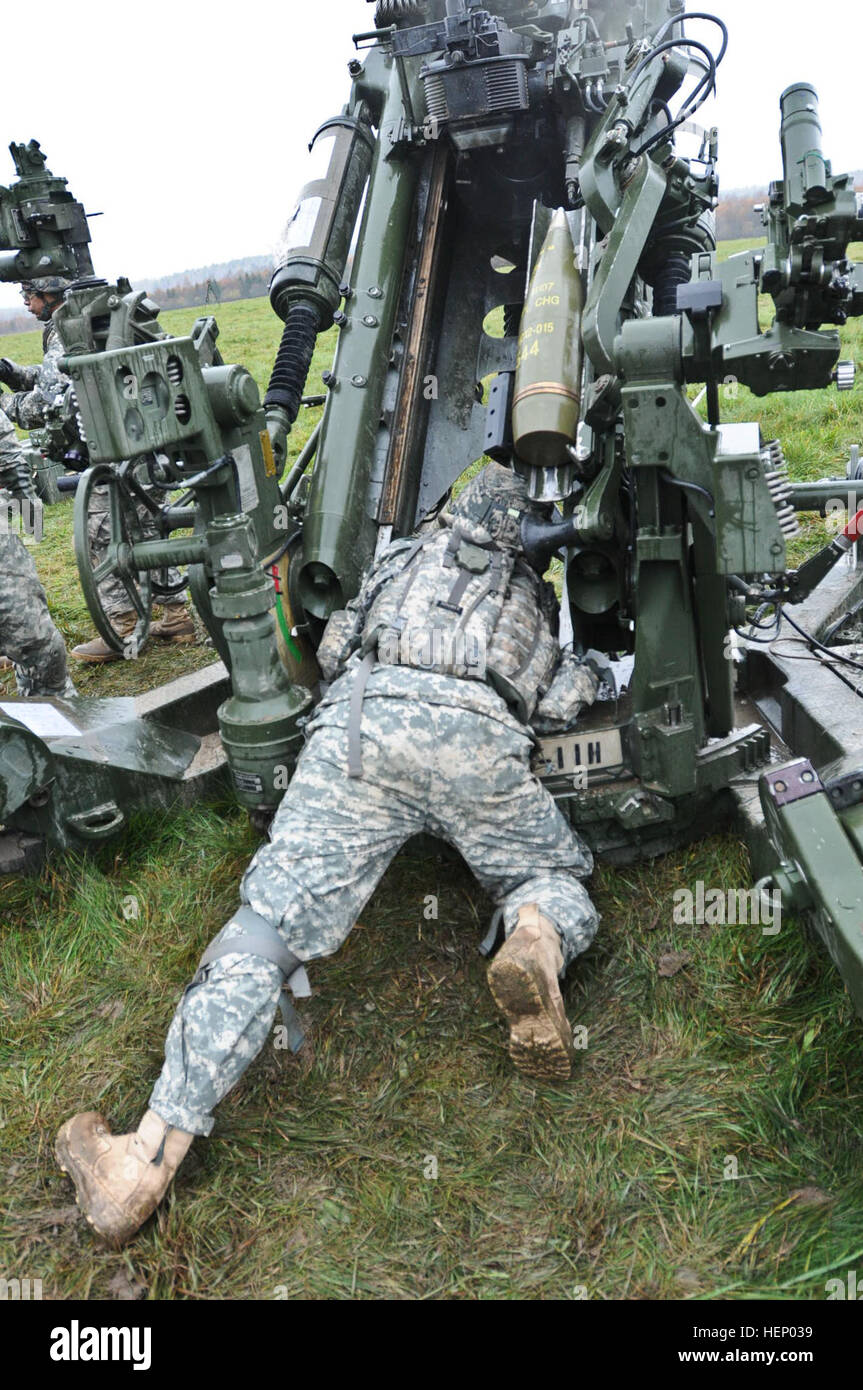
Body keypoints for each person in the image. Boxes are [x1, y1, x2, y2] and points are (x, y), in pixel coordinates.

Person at [55, 461, 606, 1246]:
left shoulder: (401, 559)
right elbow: (555, 702)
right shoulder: (534, 595)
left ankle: (141, 1161)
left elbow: (336, 645)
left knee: (266, 929)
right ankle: (534, 941)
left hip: (361, 730)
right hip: (479, 736)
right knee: (545, 873)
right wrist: (581, 672)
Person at [0, 278, 195, 662]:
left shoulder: (66, 328)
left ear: (49, 293)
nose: (25, 304)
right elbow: (59, 375)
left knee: (103, 538)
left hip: (111, 450)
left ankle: (120, 627)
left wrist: (6, 410)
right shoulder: (99, 315)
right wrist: (10, 372)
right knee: (152, 527)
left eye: (28, 296)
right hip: (145, 441)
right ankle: (176, 616)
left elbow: (49, 404)